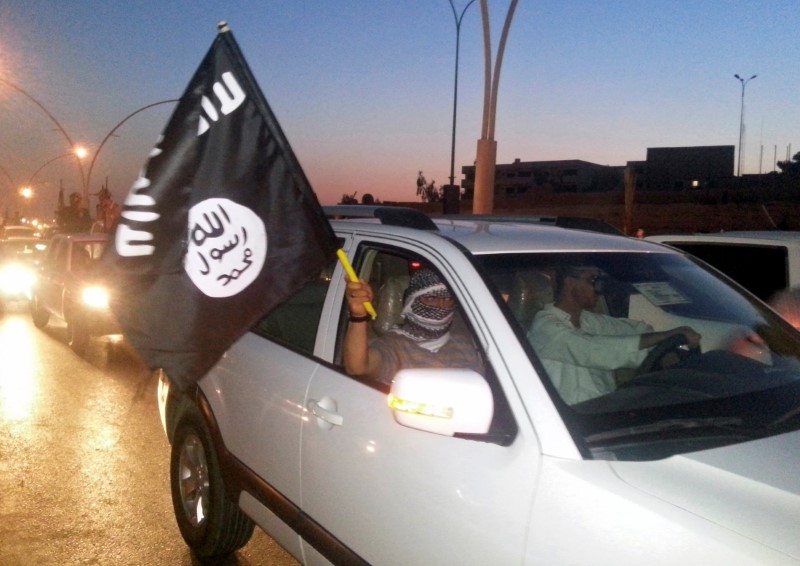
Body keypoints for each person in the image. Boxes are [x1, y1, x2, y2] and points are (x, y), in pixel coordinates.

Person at [528, 265, 701, 404]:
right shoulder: (544, 328)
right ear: (569, 282)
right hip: (569, 420)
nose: (599, 288)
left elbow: (638, 329)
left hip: (605, 410)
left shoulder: (590, 321)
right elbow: (594, 350)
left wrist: (664, 349)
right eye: (593, 280)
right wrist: (663, 336)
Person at [343, 267, 484, 385]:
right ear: (411, 302)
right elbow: (358, 367)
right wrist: (358, 316)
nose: (442, 306)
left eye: (448, 299)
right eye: (431, 299)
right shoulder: (395, 346)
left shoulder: (463, 343)